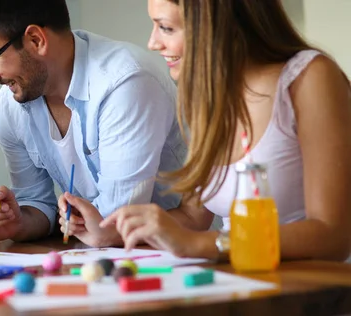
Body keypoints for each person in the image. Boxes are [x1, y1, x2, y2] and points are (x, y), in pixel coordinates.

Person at [92, 0, 351, 261]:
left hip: (310, 290)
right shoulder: (212, 97)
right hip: (239, 284)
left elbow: (332, 236)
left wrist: (201, 244)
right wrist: (113, 232)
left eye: (166, 28)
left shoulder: (310, 78)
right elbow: (193, 217)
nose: (153, 43)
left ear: (215, 24)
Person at [0, 0, 187, 245]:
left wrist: (72, 222)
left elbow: (115, 220)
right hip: (97, 257)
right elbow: (38, 203)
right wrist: (17, 221)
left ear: (36, 40)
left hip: (185, 255)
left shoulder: (125, 83)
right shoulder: (11, 105)